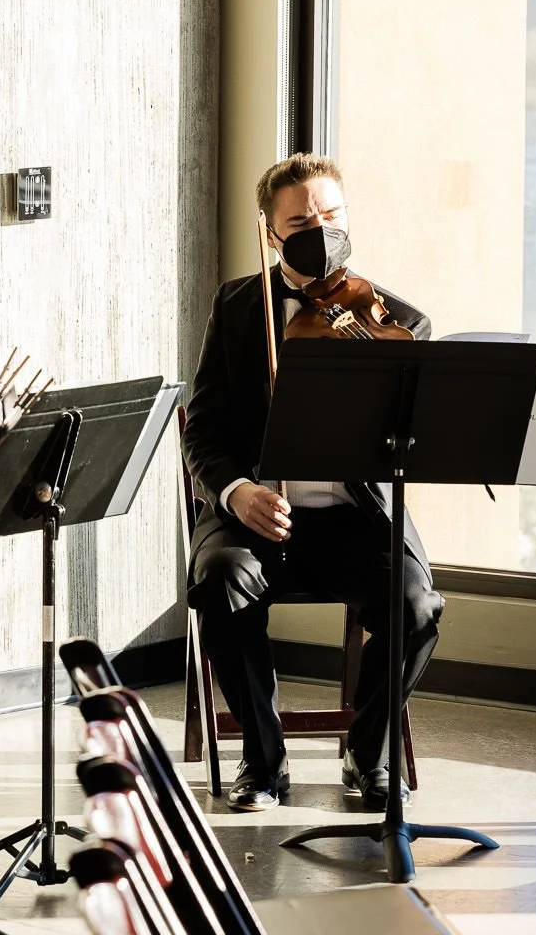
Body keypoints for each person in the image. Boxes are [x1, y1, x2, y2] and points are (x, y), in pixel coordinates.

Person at [182, 153, 445, 812]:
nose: (318, 228)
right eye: (300, 219)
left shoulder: (397, 320)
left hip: (353, 519)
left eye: (330, 215)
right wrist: (236, 491)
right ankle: (263, 760)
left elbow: (415, 444)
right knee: (219, 582)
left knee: (418, 606)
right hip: (258, 515)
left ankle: (367, 751)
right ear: (271, 231)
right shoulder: (239, 307)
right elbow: (204, 427)